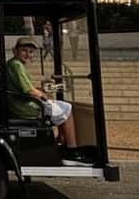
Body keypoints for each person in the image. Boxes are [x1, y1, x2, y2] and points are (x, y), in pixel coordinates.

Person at [6, 37, 91, 166]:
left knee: (60, 109)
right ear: (15, 51)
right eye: (24, 50)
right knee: (67, 109)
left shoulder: (12, 64)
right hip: (25, 108)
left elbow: (25, 88)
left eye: (30, 52)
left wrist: (41, 91)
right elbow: (29, 90)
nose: (28, 54)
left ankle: (61, 143)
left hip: (20, 104)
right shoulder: (16, 65)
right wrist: (44, 96)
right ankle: (72, 152)